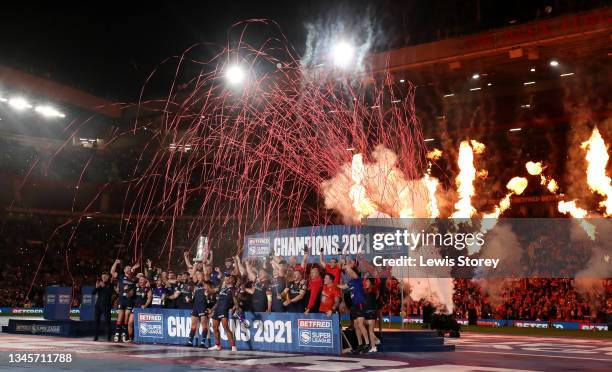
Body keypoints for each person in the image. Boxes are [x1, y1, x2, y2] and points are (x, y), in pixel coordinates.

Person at [339, 258, 370, 353]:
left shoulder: (357, 279)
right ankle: (360, 345)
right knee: (356, 325)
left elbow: (349, 270)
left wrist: (345, 263)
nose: (349, 274)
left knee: (360, 324)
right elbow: (343, 286)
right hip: (354, 305)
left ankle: (367, 344)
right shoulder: (351, 282)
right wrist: (333, 284)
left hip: (360, 303)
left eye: (350, 273)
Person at [110, 259, 139, 343]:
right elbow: (112, 272)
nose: (129, 269)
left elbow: (132, 292)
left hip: (129, 301)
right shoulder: (121, 276)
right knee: (120, 318)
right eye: (128, 268)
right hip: (122, 300)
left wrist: (128, 292)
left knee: (126, 319)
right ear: (124, 270)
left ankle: (123, 335)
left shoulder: (133, 279)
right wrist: (115, 263)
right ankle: (116, 335)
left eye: (130, 268)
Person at [209, 275, 238, 351]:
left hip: (224, 309)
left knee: (226, 328)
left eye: (230, 278)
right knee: (215, 328)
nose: (228, 279)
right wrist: (212, 309)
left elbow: (235, 300)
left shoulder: (233, 289)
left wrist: (236, 308)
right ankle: (218, 345)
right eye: (228, 278)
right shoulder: (222, 289)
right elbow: (218, 302)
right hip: (217, 310)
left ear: (233, 281)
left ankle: (233, 346)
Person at [128, 276, 152, 341]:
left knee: (142, 325)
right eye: (139, 280)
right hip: (135, 308)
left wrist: (145, 305)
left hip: (143, 308)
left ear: (145, 281)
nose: (140, 281)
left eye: (142, 280)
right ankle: (130, 338)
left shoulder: (148, 289)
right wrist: (129, 291)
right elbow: (129, 295)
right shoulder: (136, 288)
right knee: (130, 323)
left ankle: (143, 338)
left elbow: (149, 298)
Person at [92, 272, 115, 341]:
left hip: (106, 306)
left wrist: (104, 286)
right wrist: (96, 287)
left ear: (108, 277)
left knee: (108, 321)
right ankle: (96, 337)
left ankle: (108, 337)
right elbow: (93, 293)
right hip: (98, 305)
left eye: (105, 277)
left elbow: (110, 293)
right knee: (96, 321)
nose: (104, 278)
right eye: (102, 277)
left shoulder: (111, 285)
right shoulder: (99, 284)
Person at [363, 278, 380, 351]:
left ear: (371, 282)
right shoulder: (365, 290)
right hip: (366, 311)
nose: (366, 282)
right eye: (366, 281)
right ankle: (376, 339)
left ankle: (373, 347)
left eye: (367, 281)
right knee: (365, 326)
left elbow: (376, 292)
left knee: (370, 330)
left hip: (371, 311)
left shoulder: (373, 289)